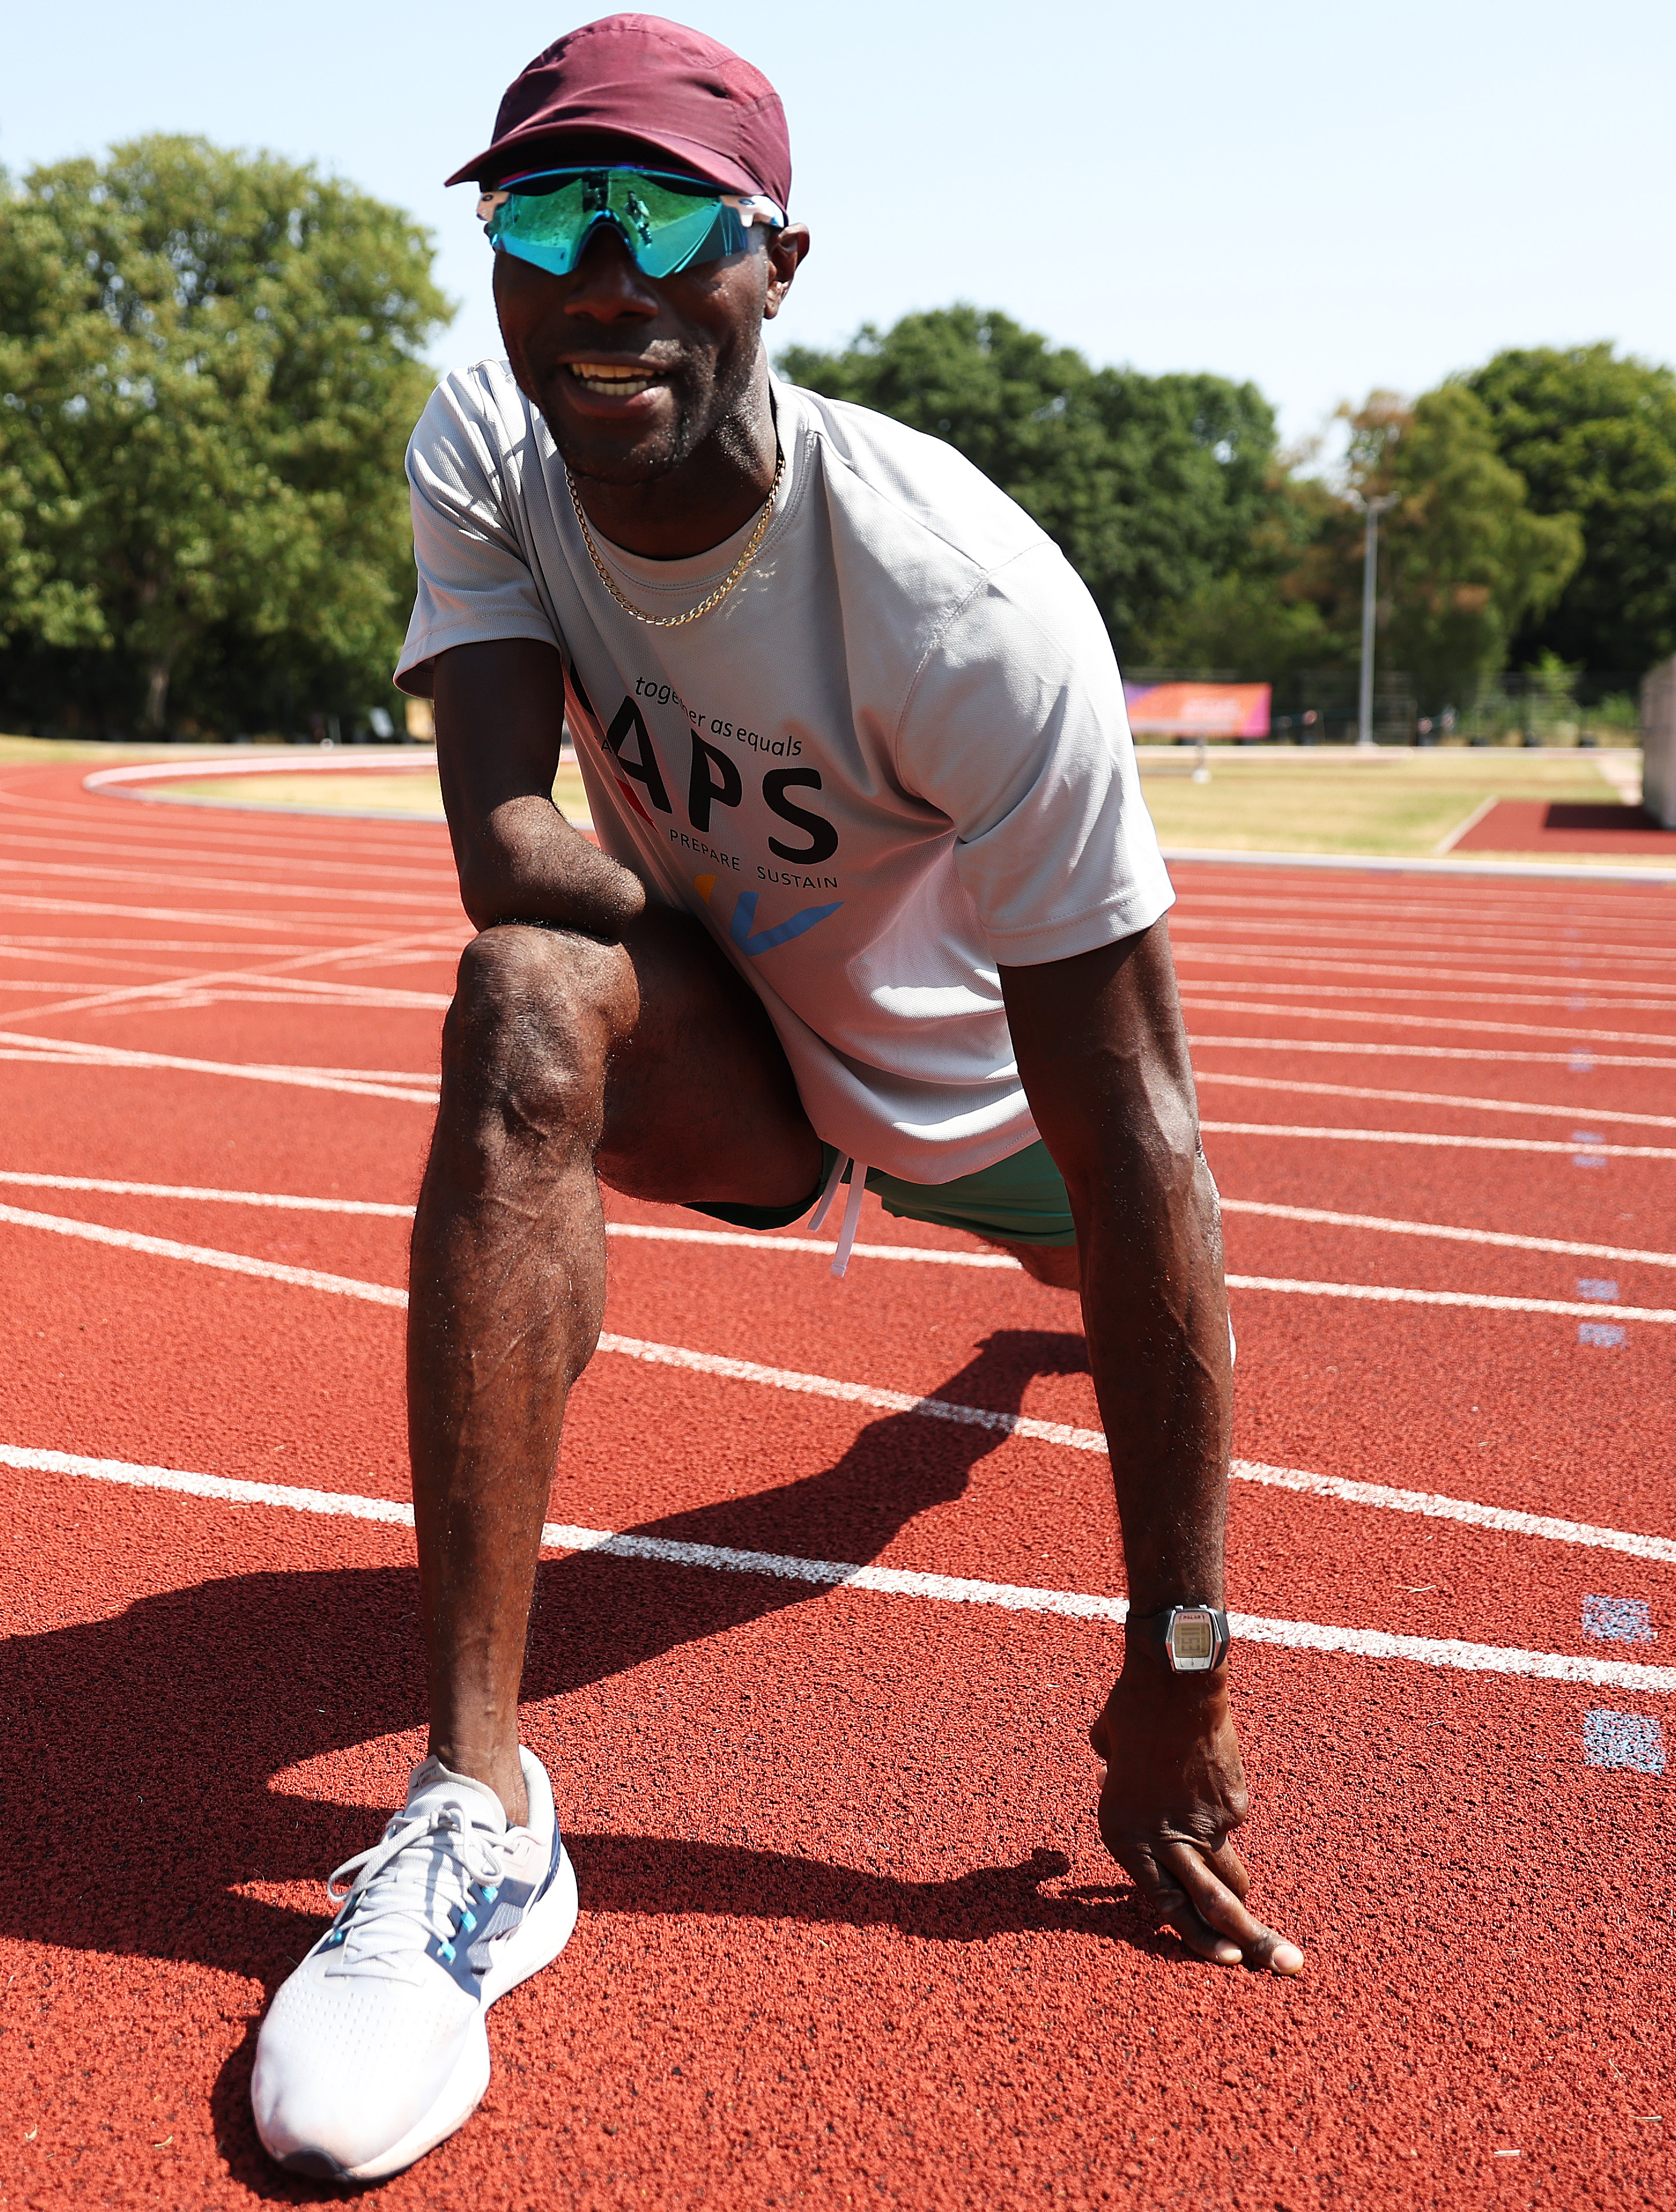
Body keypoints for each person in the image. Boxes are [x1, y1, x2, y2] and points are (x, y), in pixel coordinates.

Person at [248, 14, 1304, 2184]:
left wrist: (1180, 1658)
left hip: (964, 1070)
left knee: (1083, 1274)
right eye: (542, 214)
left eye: (658, 216)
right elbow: (502, 850)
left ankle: (994, 1344)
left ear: (776, 258)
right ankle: (473, 1814)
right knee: (528, 999)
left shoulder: (966, 610)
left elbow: (1140, 1136)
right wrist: (729, 953)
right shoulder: (488, 435)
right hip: (720, 1037)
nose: (598, 274)